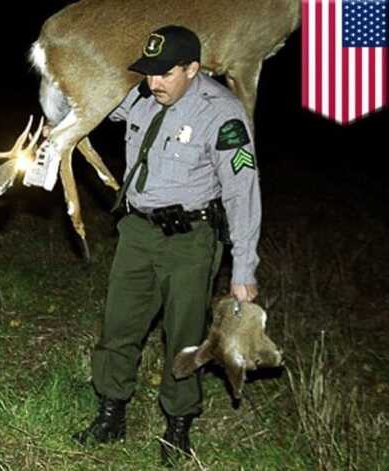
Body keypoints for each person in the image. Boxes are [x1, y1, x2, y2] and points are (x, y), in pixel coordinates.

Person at [72, 25, 261, 465]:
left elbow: (242, 193)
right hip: (136, 233)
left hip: (190, 241)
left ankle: (177, 426)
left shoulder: (224, 115)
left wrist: (243, 270)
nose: (153, 83)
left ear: (193, 69)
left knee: (184, 338)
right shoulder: (142, 96)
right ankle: (110, 413)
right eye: (148, 73)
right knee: (119, 327)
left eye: (165, 74)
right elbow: (97, 105)